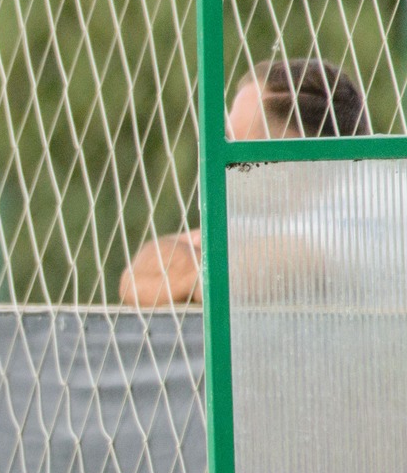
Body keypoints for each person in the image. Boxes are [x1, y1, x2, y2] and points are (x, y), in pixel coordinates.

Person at [119, 57, 369, 306]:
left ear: (294, 153)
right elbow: (138, 273)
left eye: (237, 152)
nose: (225, 168)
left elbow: (268, 272)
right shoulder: (263, 225)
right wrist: (205, 277)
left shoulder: (352, 226)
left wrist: (200, 277)